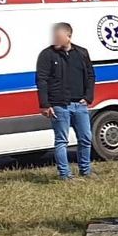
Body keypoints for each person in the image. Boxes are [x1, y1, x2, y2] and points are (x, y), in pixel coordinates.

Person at [35, 22, 96, 179]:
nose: (55, 39)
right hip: (59, 105)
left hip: (80, 104)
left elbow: (90, 76)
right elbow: (41, 80)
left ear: (68, 36)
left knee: (85, 138)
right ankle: (65, 174)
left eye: (59, 36)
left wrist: (88, 97)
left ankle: (86, 170)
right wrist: (45, 104)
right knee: (62, 141)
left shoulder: (81, 53)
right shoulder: (47, 55)